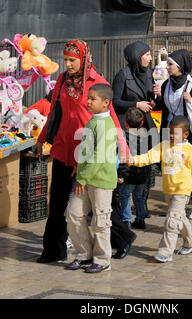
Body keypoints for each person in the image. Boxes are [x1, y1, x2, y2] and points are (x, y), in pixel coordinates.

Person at [34, 39, 128, 264]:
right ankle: (53, 250)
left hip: (88, 155)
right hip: (63, 149)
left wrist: (122, 147)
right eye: (65, 59)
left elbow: (112, 117)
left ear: (83, 58)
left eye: (72, 60)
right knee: (57, 203)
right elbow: (55, 112)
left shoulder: (97, 83)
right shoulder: (62, 81)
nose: (67, 64)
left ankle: (123, 238)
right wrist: (42, 139)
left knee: (96, 204)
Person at [127, 116, 192, 263]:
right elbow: (149, 157)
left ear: (185, 134)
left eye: (175, 133)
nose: (171, 136)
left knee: (171, 221)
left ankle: (165, 252)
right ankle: (191, 241)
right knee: (179, 218)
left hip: (182, 191)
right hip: (168, 190)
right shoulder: (164, 145)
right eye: (169, 132)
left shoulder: (190, 150)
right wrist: (134, 160)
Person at [64, 84, 117, 273]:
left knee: (101, 222)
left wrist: (82, 177)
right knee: (73, 214)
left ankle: (103, 260)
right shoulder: (93, 121)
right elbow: (87, 151)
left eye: (93, 99)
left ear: (106, 103)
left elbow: (99, 156)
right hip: (85, 179)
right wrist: (79, 170)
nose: (88, 102)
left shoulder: (105, 124)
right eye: (89, 98)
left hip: (100, 181)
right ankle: (84, 254)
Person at [153, 49, 192, 220]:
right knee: (172, 168)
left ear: (180, 66)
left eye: (170, 65)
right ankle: (176, 203)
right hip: (170, 133)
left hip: (189, 133)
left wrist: (191, 100)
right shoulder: (166, 84)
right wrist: (155, 97)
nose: (167, 68)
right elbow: (162, 107)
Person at [112, 41, 161, 222]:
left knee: (146, 169)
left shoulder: (149, 74)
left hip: (146, 126)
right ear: (137, 56)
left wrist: (156, 96)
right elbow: (115, 101)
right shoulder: (122, 76)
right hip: (129, 128)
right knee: (129, 167)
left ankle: (142, 208)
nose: (150, 58)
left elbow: (152, 99)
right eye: (147, 55)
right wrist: (136, 104)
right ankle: (123, 211)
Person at [118, 107, 150, 229]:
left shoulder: (123, 138)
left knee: (125, 195)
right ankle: (140, 218)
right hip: (143, 174)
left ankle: (126, 219)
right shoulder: (146, 137)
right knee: (138, 196)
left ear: (125, 122)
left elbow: (123, 160)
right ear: (141, 123)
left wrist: (120, 174)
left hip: (129, 174)